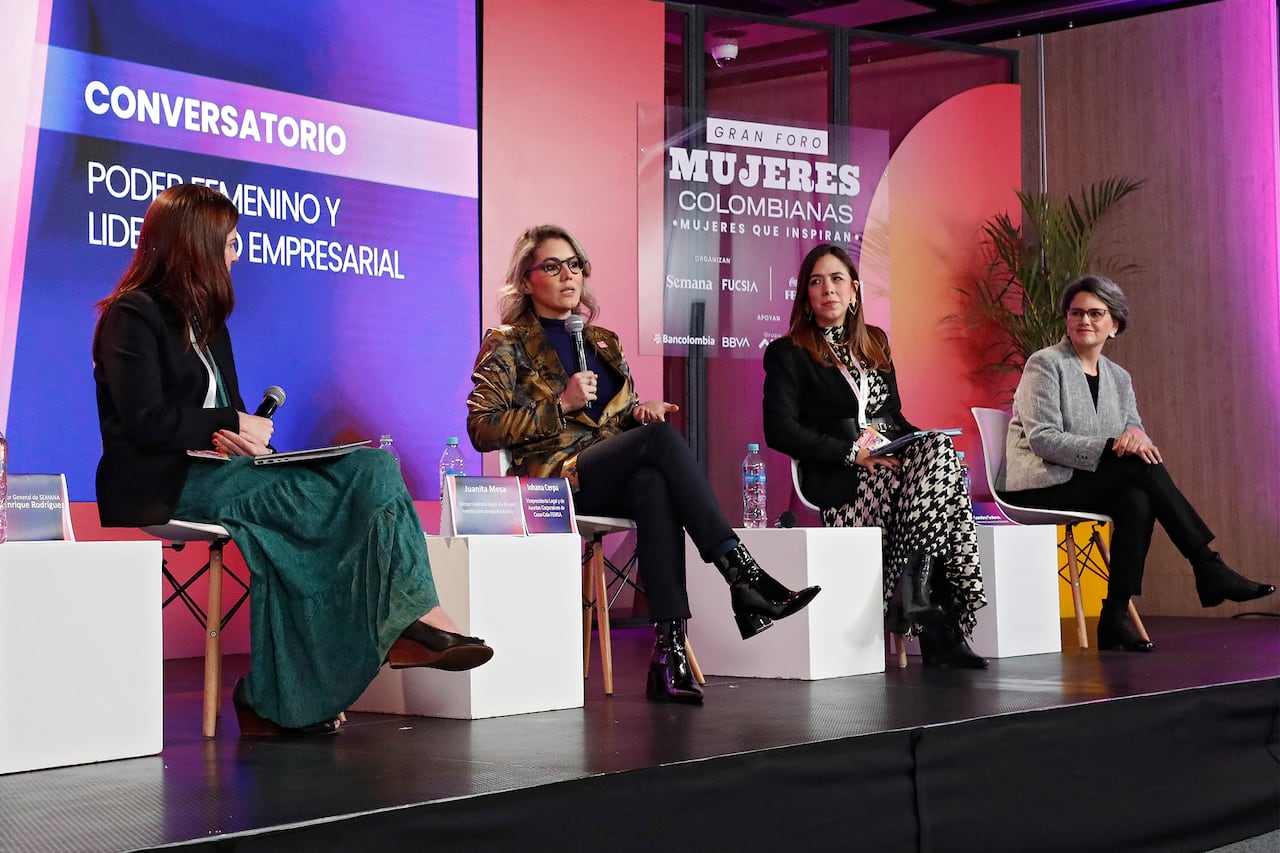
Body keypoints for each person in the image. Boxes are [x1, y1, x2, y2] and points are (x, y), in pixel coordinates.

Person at [93, 184, 492, 736]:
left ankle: (416, 618)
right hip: (166, 482)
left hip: (224, 472)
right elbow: (145, 420)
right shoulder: (131, 314)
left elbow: (222, 419)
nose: (237, 254)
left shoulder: (210, 324)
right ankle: (313, 676)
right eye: (230, 243)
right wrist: (230, 425)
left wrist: (247, 440)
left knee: (373, 467)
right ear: (196, 244)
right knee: (304, 512)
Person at [466, 224, 820, 704]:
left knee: (653, 481)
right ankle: (743, 577)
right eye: (552, 266)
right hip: (554, 484)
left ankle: (669, 651)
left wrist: (637, 414)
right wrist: (561, 405)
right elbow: (482, 429)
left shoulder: (603, 341)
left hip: (608, 474)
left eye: (575, 265)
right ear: (527, 281)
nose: (568, 276)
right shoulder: (506, 342)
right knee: (656, 447)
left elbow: (614, 425)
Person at [999, 274, 1274, 652]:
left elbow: (1138, 437)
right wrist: (1117, 444)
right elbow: (1043, 439)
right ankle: (1207, 565)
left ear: (1115, 324)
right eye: (1076, 312)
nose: (1085, 321)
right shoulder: (1045, 365)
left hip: (1085, 483)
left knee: (1137, 498)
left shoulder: (1119, 378)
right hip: (1039, 484)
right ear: (1066, 319)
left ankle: (1113, 618)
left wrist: (1135, 438)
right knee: (1135, 469)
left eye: (1096, 313)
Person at [762, 243, 988, 668]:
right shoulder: (788, 352)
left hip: (890, 461)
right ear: (806, 296)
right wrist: (852, 452)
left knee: (942, 454)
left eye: (836, 279)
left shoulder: (875, 343)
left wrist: (924, 448)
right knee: (946, 487)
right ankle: (938, 624)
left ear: (854, 290)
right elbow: (780, 430)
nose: (827, 289)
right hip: (841, 475)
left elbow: (894, 416)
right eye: (816, 281)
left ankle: (922, 599)